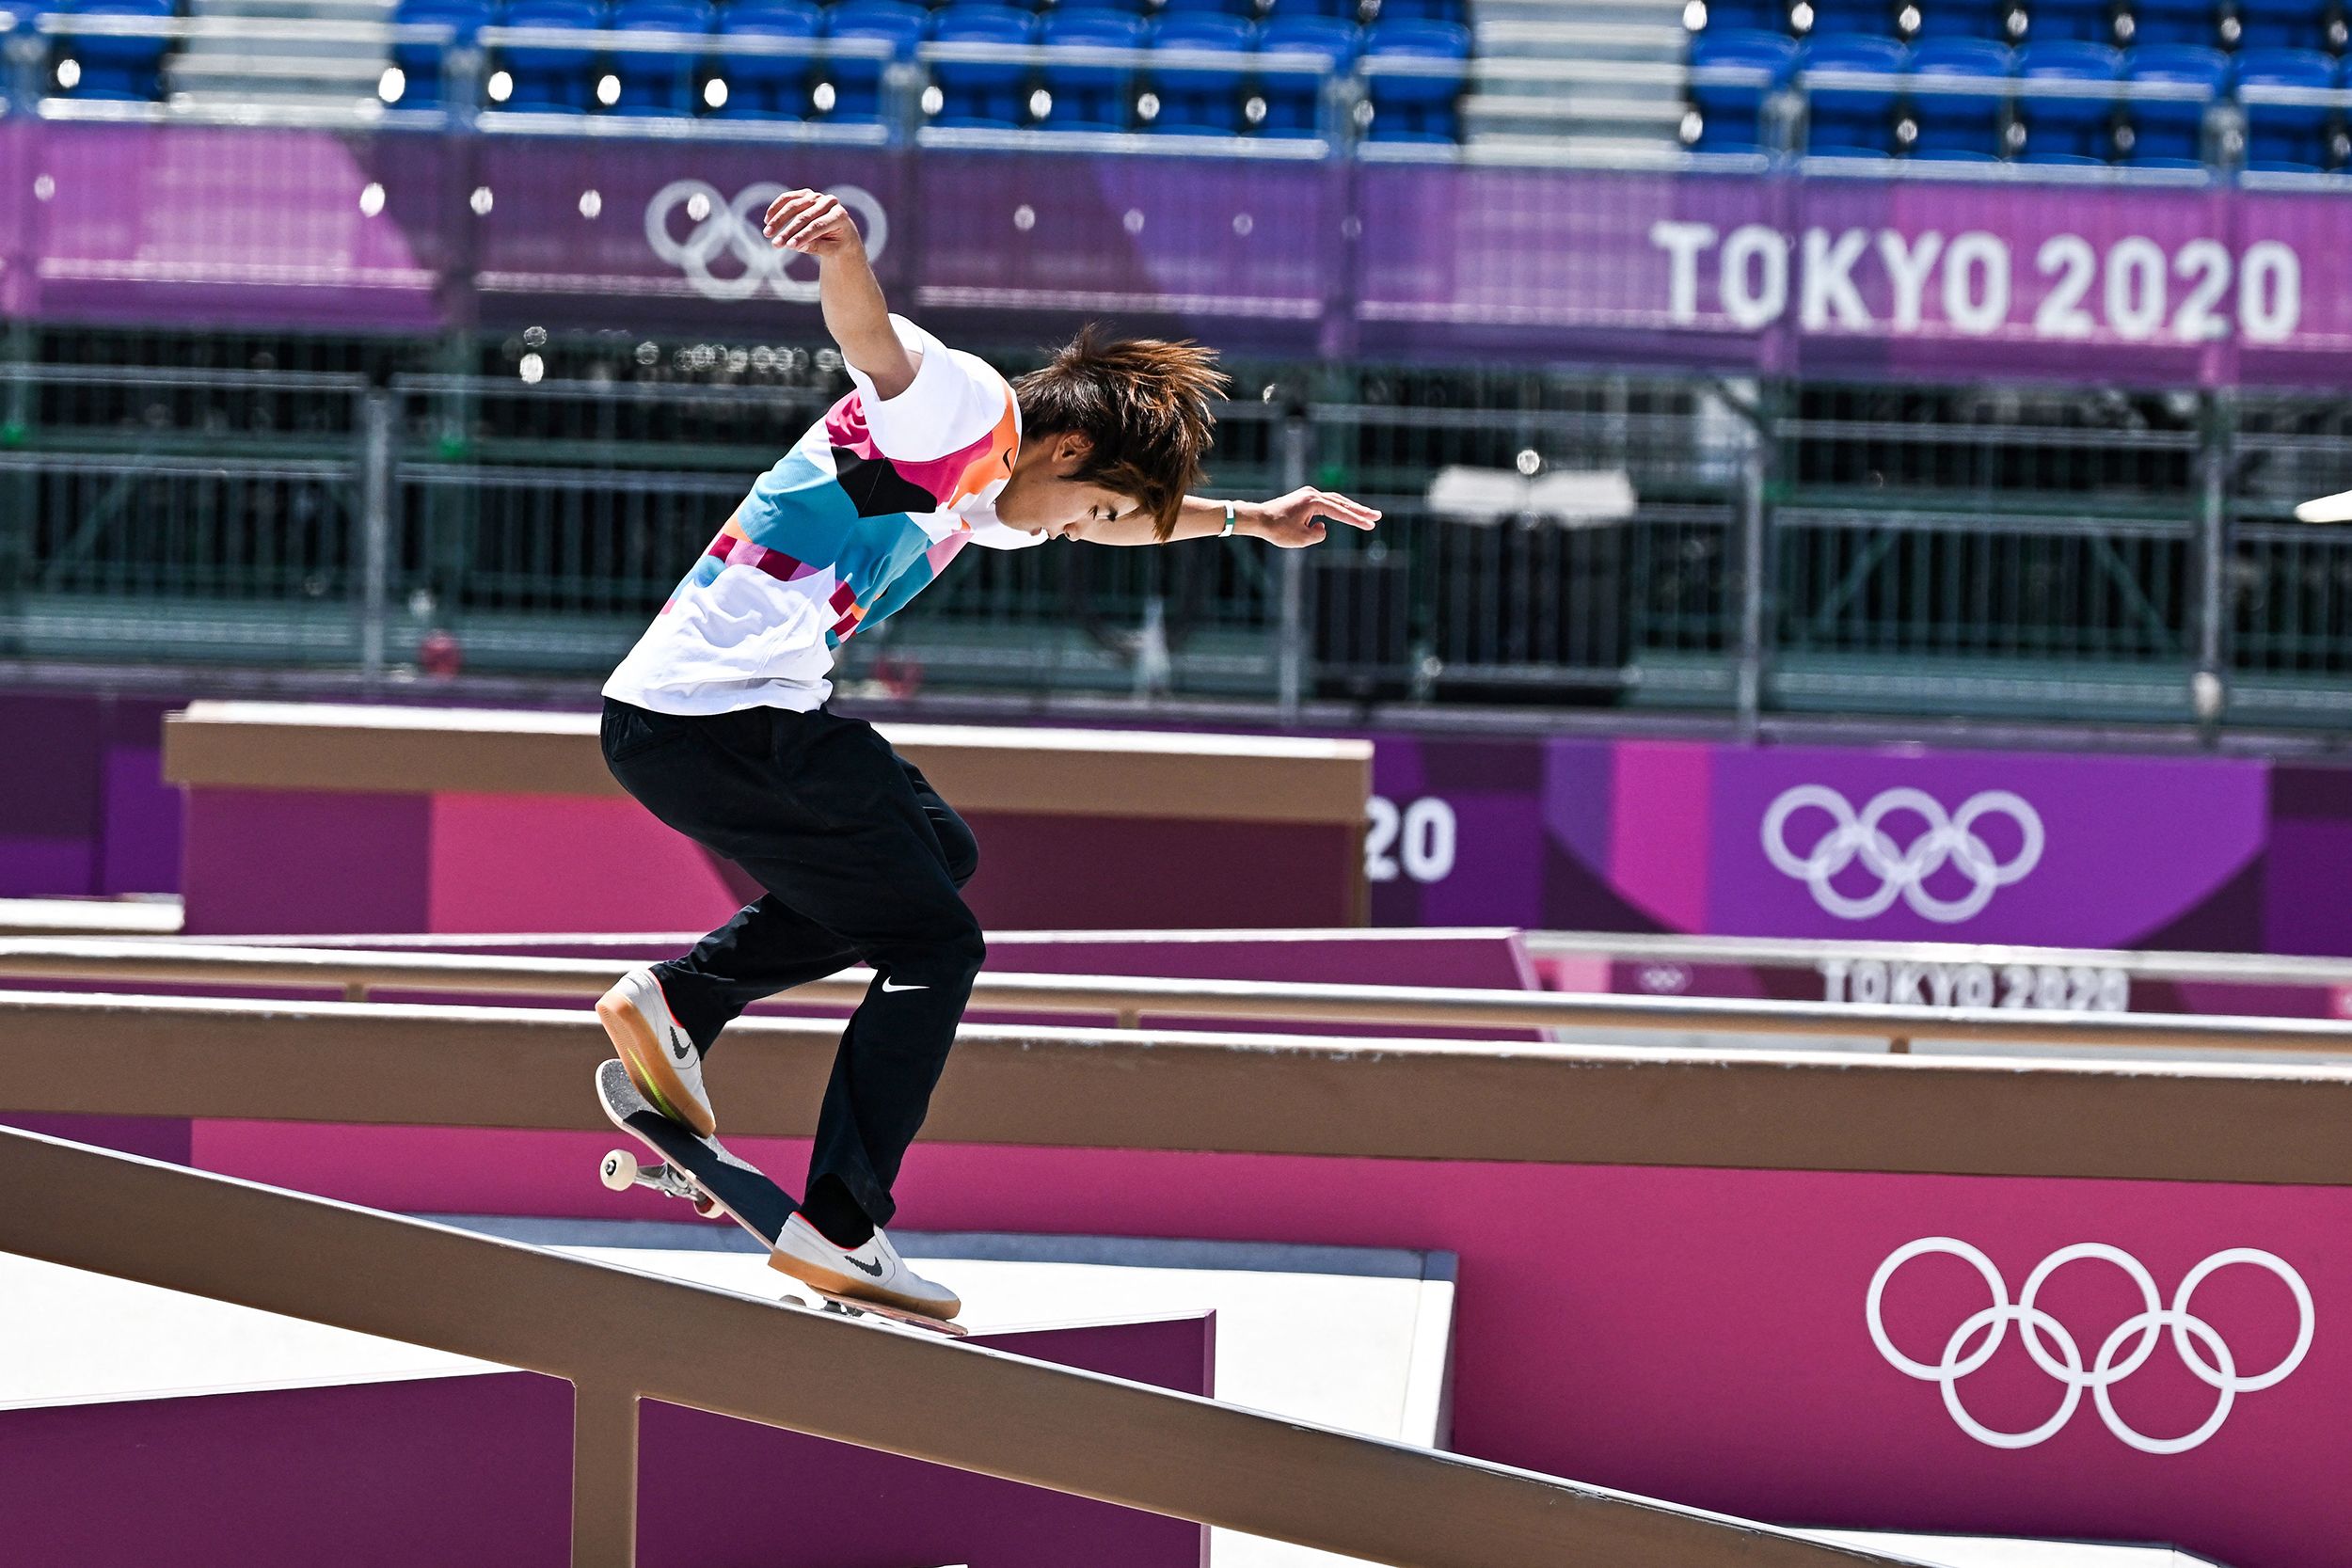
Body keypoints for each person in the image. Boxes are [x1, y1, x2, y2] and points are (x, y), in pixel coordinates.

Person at [594, 187, 1379, 1319]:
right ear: (1065, 445)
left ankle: (681, 1000)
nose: (1076, 533)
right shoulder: (962, 412)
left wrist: (1248, 518)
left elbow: (1128, 513)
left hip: (703, 722)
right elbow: (876, 348)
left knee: (933, 851)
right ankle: (845, 1224)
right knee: (939, 943)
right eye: (1088, 510)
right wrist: (844, 255)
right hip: (718, 720)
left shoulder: (996, 489)